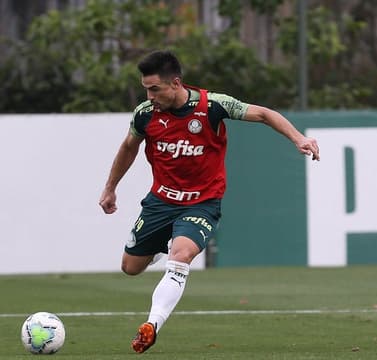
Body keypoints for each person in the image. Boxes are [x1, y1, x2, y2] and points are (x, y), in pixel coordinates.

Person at [99, 50, 320, 353]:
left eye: (154, 89)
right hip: (160, 203)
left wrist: (299, 139)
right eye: (146, 89)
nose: (149, 95)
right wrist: (110, 188)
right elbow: (128, 147)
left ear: (175, 83)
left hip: (202, 204)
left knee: (181, 257)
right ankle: (157, 249)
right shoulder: (145, 114)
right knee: (130, 267)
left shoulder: (212, 105)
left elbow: (265, 114)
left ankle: (152, 325)